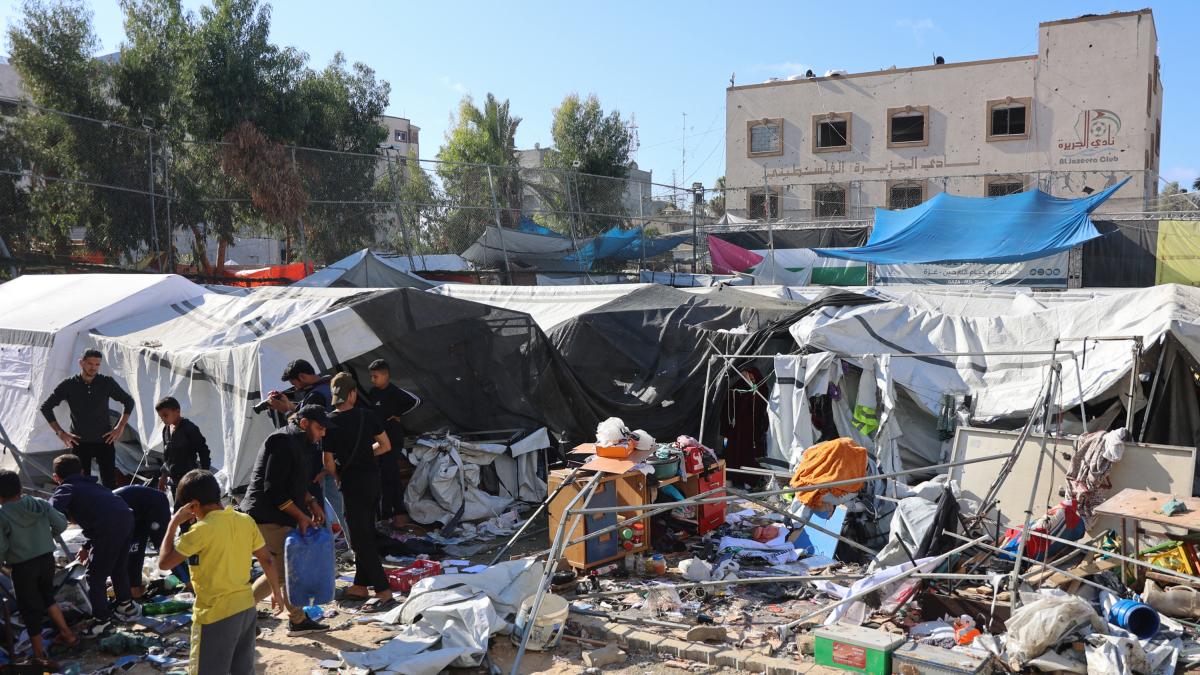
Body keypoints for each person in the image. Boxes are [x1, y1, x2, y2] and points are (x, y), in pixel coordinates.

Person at [158, 470, 285, 675]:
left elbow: (164, 563)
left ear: (193, 505)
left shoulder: (201, 530)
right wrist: (276, 593)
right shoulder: (245, 520)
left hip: (215, 615)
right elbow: (267, 560)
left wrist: (173, 523)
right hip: (246, 609)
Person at [237, 405, 331, 636]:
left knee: (285, 570)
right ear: (304, 423)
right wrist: (301, 516)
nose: (322, 433)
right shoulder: (281, 442)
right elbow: (274, 490)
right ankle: (238, 618)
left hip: (279, 514)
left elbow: (295, 483)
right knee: (279, 573)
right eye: (319, 428)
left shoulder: (301, 443)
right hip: (266, 515)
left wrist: (311, 502)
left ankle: (297, 620)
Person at [324, 373, 393, 609]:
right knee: (366, 532)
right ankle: (360, 586)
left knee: (360, 539)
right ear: (353, 394)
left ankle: (383, 591)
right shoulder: (367, 415)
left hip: (351, 484)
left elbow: (328, 463)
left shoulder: (329, 422)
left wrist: (337, 475)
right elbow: (385, 445)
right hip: (373, 481)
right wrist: (365, 453)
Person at [49, 454, 138, 634]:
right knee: (118, 567)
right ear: (82, 472)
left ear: (56, 478)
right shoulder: (95, 486)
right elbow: (101, 512)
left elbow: (51, 509)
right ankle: (125, 605)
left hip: (108, 527)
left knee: (95, 577)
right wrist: (89, 544)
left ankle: (102, 621)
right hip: (127, 519)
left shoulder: (67, 487)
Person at [0, 470, 77, 667]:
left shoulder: (2, 515)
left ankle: (39, 656)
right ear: (19, 488)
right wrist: (46, 536)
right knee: (48, 596)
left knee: (30, 609)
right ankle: (68, 635)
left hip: (23, 566)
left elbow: (1, 547)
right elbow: (61, 523)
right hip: (46, 559)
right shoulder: (38, 503)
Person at [265, 360, 345, 541]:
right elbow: (307, 416)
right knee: (342, 509)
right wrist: (291, 406)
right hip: (334, 457)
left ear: (301, 376)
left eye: (294, 383)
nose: (295, 388)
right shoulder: (328, 386)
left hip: (318, 460)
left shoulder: (315, 395)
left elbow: (304, 426)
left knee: (320, 510)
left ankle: (325, 549)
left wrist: (285, 411)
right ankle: (355, 547)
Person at [40, 349, 135, 489]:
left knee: (109, 483)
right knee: (81, 484)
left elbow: (129, 401)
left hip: (105, 440)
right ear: (81, 363)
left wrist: (120, 427)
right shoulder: (69, 384)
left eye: (97, 364)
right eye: (90, 363)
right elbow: (46, 407)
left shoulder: (106, 382)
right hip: (79, 442)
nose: (93, 367)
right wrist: (60, 433)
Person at [366, 359, 421, 528]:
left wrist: (398, 413)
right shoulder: (373, 392)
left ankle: (392, 513)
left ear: (386, 375)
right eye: (371, 376)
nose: (373, 380)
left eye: (376, 376)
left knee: (390, 473)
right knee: (386, 474)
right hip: (379, 438)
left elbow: (416, 400)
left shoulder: (394, 391)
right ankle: (391, 513)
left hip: (393, 437)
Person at [115, 484, 185, 599]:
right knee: (134, 549)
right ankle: (134, 591)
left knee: (164, 549)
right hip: (135, 512)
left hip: (155, 504)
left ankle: (189, 583)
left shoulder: (101, 515)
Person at [154, 397, 211, 495]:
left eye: (165, 415)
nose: (163, 419)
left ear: (177, 412)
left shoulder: (190, 429)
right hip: (174, 480)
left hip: (189, 480)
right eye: (161, 417)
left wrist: (204, 477)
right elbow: (167, 456)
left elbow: (204, 451)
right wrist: (163, 476)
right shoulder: (166, 430)